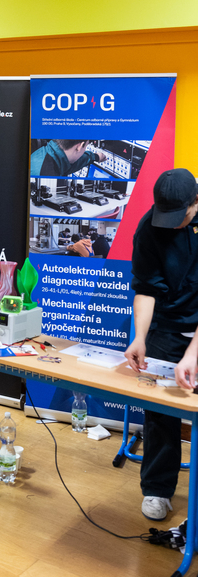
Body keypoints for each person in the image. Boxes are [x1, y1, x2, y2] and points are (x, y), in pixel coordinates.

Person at [124, 168, 198, 521]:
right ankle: (157, 489)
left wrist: (192, 354)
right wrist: (140, 337)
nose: (171, 225)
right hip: (167, 327)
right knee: (159, 412)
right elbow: (146, 288)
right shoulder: (149, 228)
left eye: (179, 216)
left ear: (195, 202)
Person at [30, 139, 107, 176]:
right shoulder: (49, 173)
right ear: (79, 146)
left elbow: (68, 164)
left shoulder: (51, 150)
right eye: (86, 146)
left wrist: (95, 157)